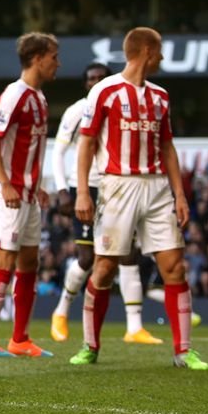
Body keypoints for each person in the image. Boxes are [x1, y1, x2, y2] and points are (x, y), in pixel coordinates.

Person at [70, 27, 208, 370]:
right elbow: (86, 142)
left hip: (158, 187)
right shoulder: (105, 91)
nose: (162, 58)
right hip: (118, 186)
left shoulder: (160, 96)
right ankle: (90, 345)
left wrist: (180, 194)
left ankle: (182, 351)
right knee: (103, 269)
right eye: (159, 51)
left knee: (174, 266)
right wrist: (84, 191)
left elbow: (167, 146)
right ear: (147, 51)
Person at [50, 63, 162, 345]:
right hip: (85, 188)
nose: (97, 81)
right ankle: (61, 312)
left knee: (127, 254)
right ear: (86, 84)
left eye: (102, 77)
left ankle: (134, 327)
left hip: (117, 187)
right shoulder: (78, 110)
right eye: (91, 78)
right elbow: (58, 152)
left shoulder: (120, 107)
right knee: (87, 259)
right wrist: (64, 190)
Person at [0, 32, 58, 358]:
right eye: (53, 57)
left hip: (28, 193)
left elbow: (25, 149)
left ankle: (20, 339)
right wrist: (6, 182)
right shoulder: (15, 95)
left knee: (30, 261)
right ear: (36, 58)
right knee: (4, 260)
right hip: (4, 193)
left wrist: (36, 185)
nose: (57, 63)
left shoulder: (40, 97)